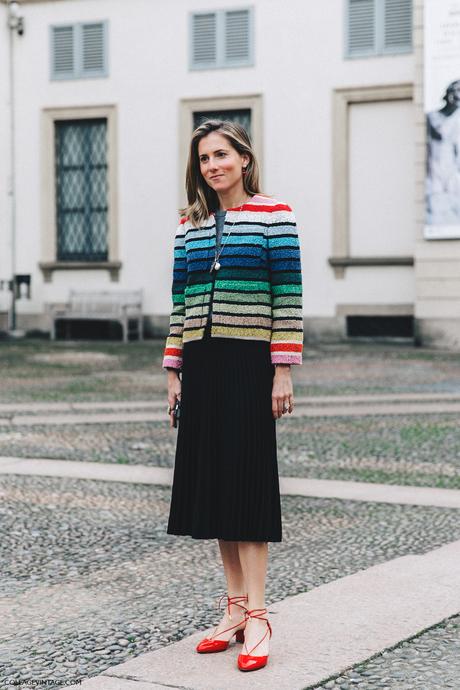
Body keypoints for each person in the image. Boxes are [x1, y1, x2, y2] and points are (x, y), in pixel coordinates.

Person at [162, 119, 303, 672]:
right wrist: (173, 371)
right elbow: (180, 301)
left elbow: (288, 295)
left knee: (246, 485)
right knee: (216, 489)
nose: (213, 166)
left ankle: (262, 616)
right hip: (201, 362)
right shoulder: (190, 223)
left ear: (244, 158)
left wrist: (282, 370)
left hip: (249, 365)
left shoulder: (275, 215)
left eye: (222, 155)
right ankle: (235, 608)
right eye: (203, 159)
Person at [426, 79, 460, 226]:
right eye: (455, 91)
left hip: (452, 173)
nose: (456, 96)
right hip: (435, 171)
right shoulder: (431, 117)